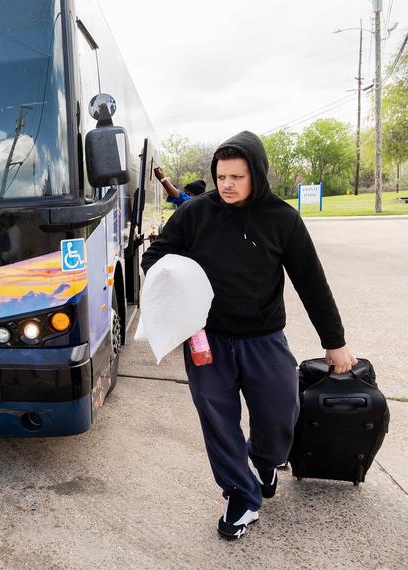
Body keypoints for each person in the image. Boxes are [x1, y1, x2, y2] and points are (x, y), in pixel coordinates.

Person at [142, 131, 356, 540]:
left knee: (280, 413)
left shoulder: (282, 219)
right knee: (218, 420)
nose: (227, 185)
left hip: (264, 338)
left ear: (256, 175)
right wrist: (176, 280)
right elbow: (156, 256)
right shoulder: (194, 214)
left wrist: (335, 341)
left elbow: (311, 282)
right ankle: (240, 494)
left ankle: (263, 461)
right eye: (222, 176)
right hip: (207, 340)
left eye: (237, 177)